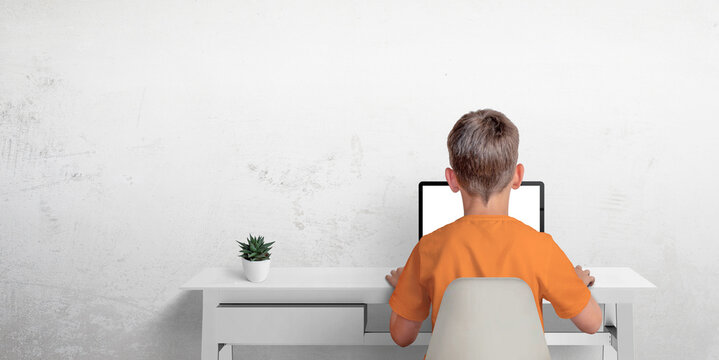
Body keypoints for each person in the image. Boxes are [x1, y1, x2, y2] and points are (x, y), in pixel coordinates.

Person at [385, 109, 602, 347]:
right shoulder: (541, 247)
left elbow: (402, 336)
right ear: (518, 176)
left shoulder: (429, 249)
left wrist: (405, 288)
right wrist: (575, 284)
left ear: (452, 179)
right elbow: (592, 323)